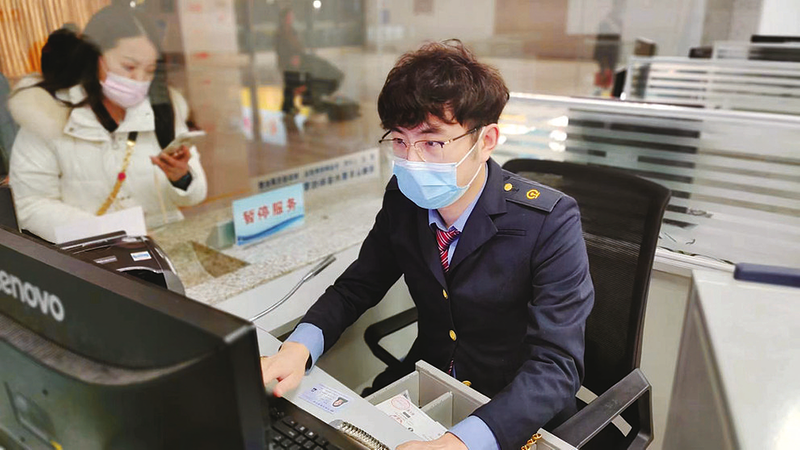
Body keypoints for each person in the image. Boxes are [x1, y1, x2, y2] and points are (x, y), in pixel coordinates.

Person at [260, 40, 594, 450]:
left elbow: (556, 366)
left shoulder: (549, 222)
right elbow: (356, 286)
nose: (412, 161)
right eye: (400, 141)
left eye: (432, 143)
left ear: (486, 140)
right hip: (428, 382)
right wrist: (297, 348)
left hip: (512, 412)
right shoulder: (404, 200)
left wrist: (457, 444)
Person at [8, 5, 207, 243]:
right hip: (94, 254)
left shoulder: (163, 108)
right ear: (96, 58)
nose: (139, 80)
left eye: (150, 70)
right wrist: (110, 231)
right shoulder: (47, 115)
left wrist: (182, 177)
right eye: (129, 67)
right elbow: (30, 205)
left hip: (165, 248)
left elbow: (195, 195)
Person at [275, 7, 343, 116]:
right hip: (290, 63)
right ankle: (294, 104)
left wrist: (298, 56)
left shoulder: (292, 31)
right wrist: (291, 59)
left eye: (291, 16)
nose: (291, 18)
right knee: (292, 85)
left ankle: (301, 101)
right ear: (283, 18)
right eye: (288, 16)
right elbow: (281, 51)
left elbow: (299, 46)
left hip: (299, 60)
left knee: (296, 84)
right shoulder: (280, 33)